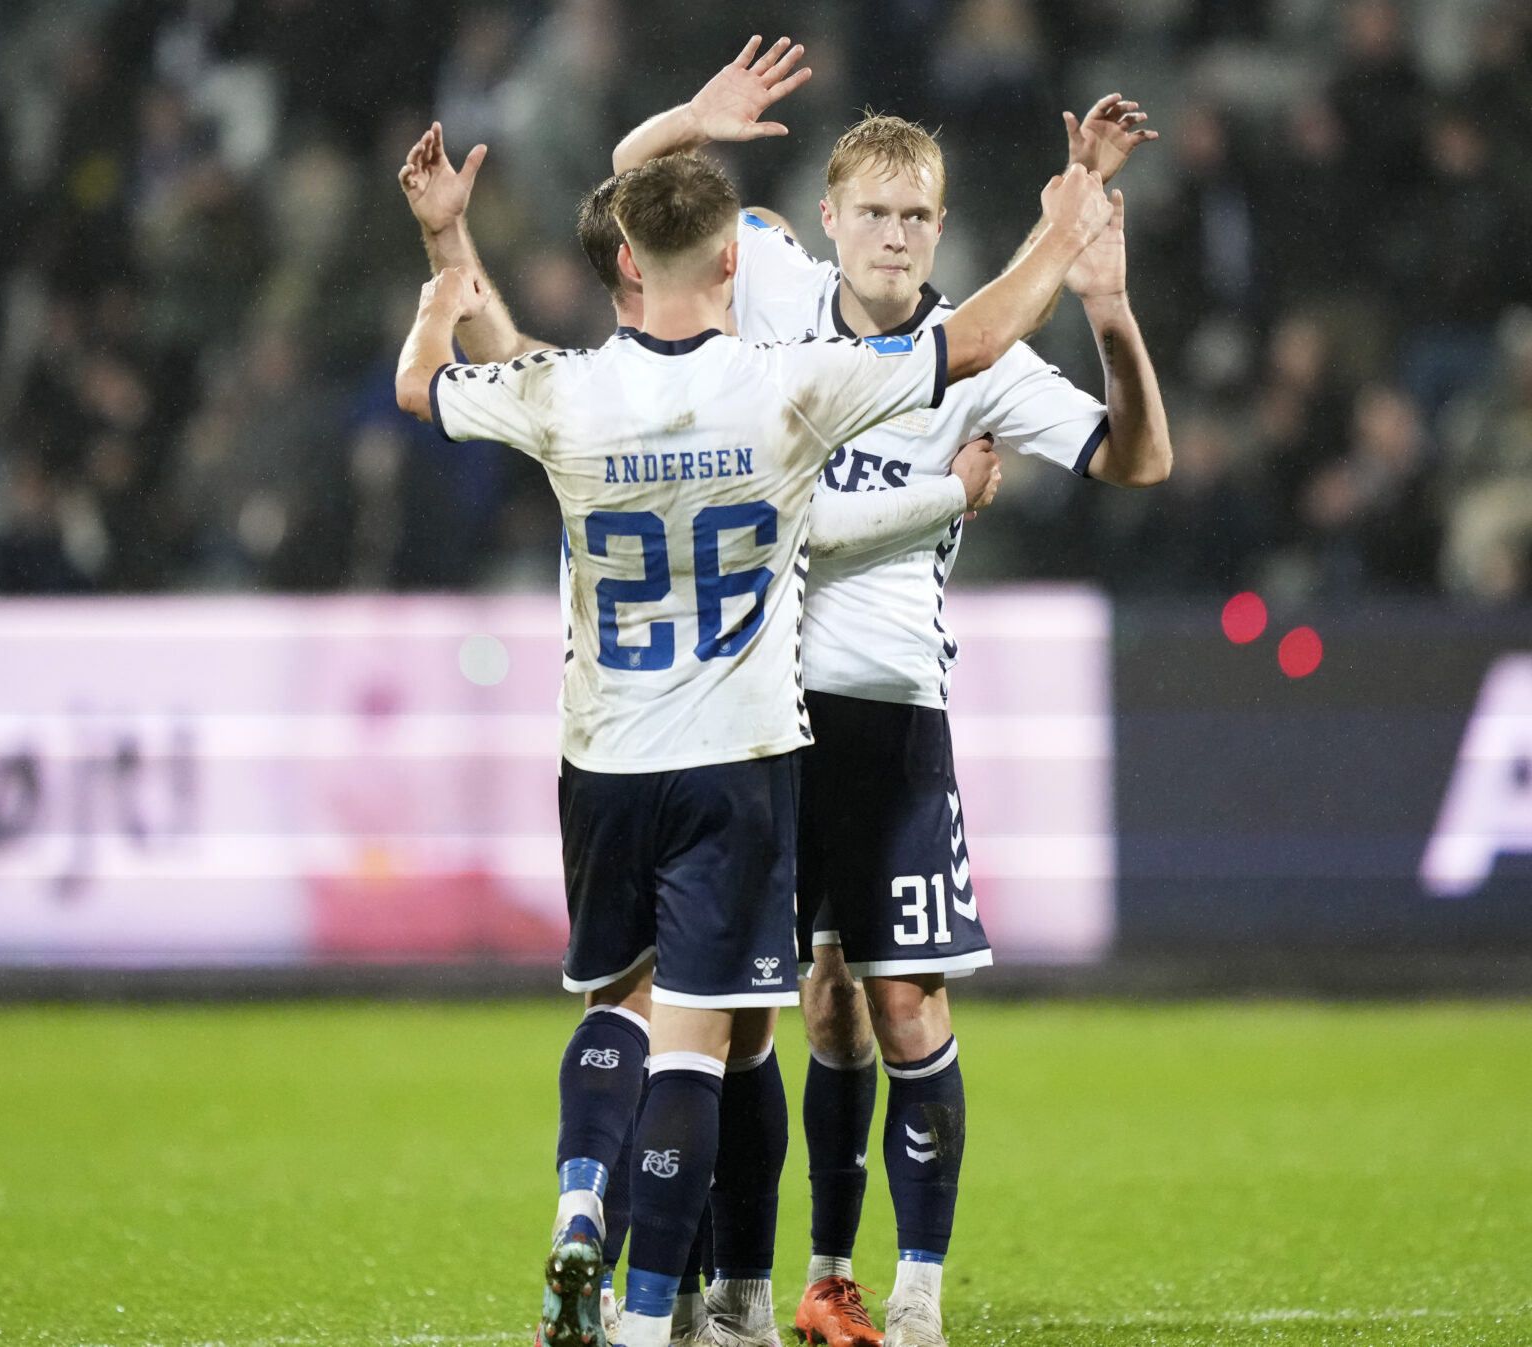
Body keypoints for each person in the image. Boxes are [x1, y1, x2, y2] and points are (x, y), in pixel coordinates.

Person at [396, 150, 1110, 1347]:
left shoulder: (563, 390)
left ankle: (583, 1205)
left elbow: (435, 382)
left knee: (614, 1012)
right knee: (702, 1040)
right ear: (733, 259)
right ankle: (642, 1324)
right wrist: (1061, 228)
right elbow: (971, 341)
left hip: (600, 758)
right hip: (734, 758)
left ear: (623, 261)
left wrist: (439, 262)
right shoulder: (786, 389)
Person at [613, 47, 1173, 1347]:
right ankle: (748, 1289)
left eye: (918, 214)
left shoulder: (980, 357)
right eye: (874, 213)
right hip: (759, 714)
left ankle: (911, 1287)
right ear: (827, 220)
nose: (896, 235)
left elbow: (1140, 457)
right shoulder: (773, 289)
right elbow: (633, 202)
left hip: (896, 716)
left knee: (902, 997)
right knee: (754, 1012)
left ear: (940, 222)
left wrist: (1109, 310)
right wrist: (686, 125)